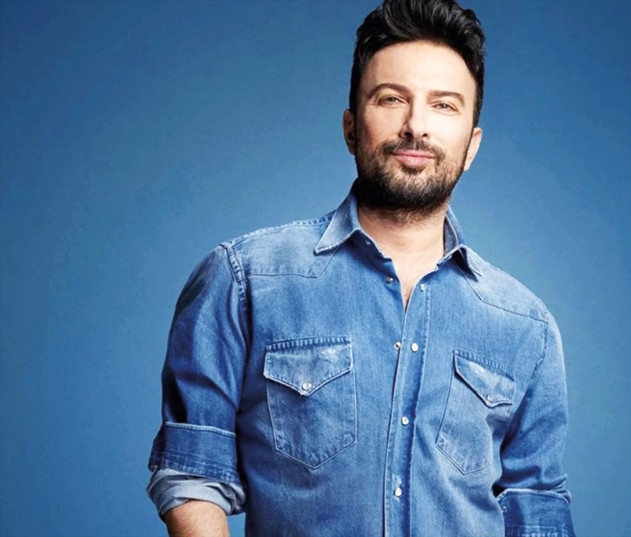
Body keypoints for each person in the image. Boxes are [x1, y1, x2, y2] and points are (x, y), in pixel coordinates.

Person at [147, 0, 575, 535]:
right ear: (351, 127)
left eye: (444, 105)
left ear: (471, 145)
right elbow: (192, 472)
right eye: (391, 99)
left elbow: (535, 506)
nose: (416, 126)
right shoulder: (245, 280)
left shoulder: (526, 328)